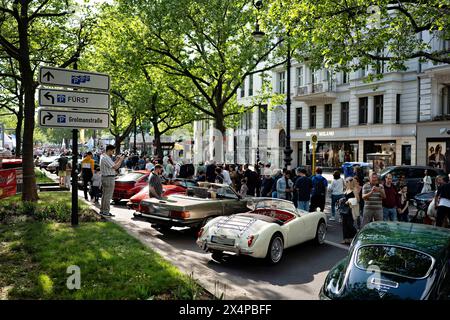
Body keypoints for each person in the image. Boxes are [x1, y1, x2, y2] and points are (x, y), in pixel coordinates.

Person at [99, 145, 125, 216]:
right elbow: (115, 167)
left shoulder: (103, 156)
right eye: (113, 151)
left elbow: (112, 165)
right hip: (109, 178)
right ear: (109, 150)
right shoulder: (106, 158)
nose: (113, 152)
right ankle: (106, 211)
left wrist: (117, 159)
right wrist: (121, 160)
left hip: (105, 177)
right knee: (108, 196)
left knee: (104, 195)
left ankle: (102, 210)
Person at [337, 177, 359, 244]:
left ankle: (356, 235)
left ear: (350, 182)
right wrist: (342, 199)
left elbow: (358, 200)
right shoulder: (346, 189)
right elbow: (346, 197)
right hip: (344, 208)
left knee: (349, 224)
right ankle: (346, 239)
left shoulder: (354, 189)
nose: (345, 183)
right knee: (344, 224)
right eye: (345, 182)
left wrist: (349, 201)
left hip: (350, 209)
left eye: (347, 182)